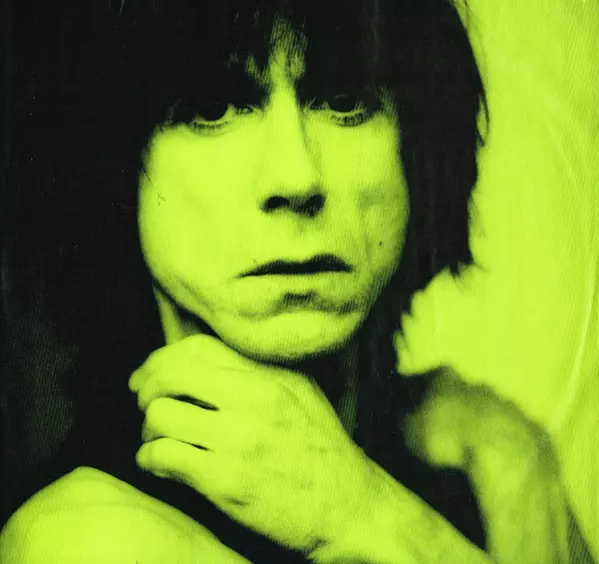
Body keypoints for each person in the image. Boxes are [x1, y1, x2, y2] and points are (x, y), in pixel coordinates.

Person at [0, 0, 592, 562]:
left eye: (343, 101)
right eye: (214, 107)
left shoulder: (486, 461)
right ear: (110, 167)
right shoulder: (82, 538)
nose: (297, 176)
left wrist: (510, 462)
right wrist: (365, 518)